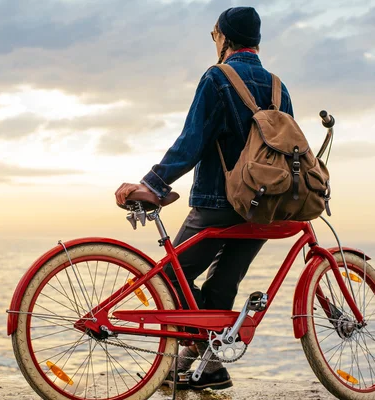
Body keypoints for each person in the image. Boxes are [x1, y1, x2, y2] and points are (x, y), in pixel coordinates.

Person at [115, 6, 294, 391]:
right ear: (257, 41)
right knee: (220, 287)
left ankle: (203, 350)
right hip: (265, 207)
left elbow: (192, 141)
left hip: (218, 202)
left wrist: (155, 184)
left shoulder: (218, 77)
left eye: (215, 35)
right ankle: (209, 365)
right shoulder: (279, 86)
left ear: (224, 38)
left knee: (167, 278)